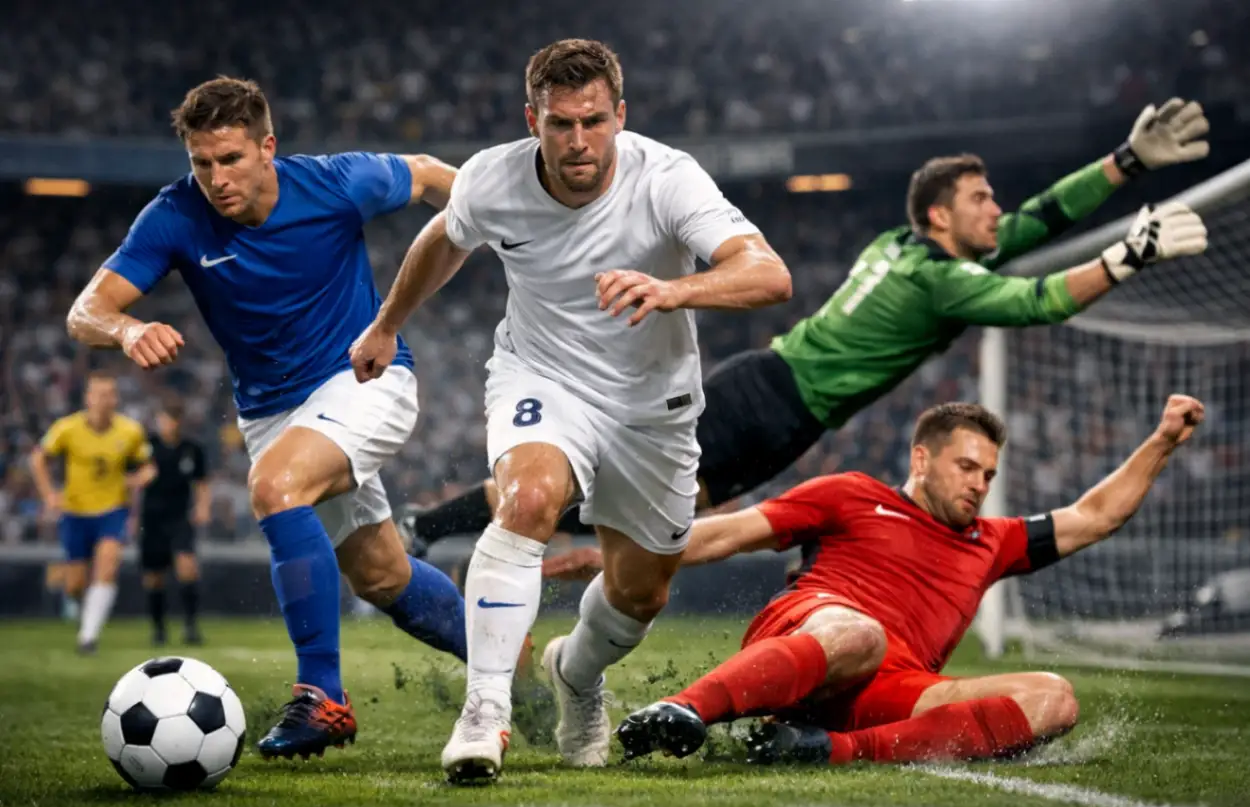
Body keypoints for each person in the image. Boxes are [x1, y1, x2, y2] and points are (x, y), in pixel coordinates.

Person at [406, 97, 1212, 563]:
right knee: (619, 510)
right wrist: (1128, 254)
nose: (997, 210)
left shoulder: (908, 248)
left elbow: (1035, 222)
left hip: (771, 393)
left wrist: (1125, 163)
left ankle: (475, 537)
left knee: (633, 517)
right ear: (941, 216)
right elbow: (1039, 301)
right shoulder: (939, 281)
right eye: (980, 199)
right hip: (774, 407)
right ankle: (443, 530)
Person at [349, 38, 792, 783]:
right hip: (542, 376)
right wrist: (387, 323)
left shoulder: (668, 179)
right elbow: (444, 237)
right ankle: (485, 711)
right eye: (560, 123)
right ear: (534, 121)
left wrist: (673, 290)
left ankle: (576, 675)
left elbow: (769, 274)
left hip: (652, 407)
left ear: (621, 115)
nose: (578, 140)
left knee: (640, 593)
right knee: (526, 500)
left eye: (593, 120)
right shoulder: (493, 179)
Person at [65, 76, 472, 761]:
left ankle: (322, 698)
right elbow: (86, 312)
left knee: (276, 487)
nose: (216, 178)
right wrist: (127, 330)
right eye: (202, 162)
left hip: (364, 376)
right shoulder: (175, 213)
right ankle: (503, 656)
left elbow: (432, 176)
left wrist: (510, 226)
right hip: (273, 413)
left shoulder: (336, 182)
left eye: (231, 159)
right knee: (380, 575)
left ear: (267, 148)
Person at [614, 395, 1205, 766]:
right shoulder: (851, 494)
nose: (979, 484)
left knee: (1055, 698)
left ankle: (825, 750)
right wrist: (614, 556)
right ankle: (681, 709)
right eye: (966, 467)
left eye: (988, 474)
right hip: (816, 630)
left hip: (892, 688)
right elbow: (727, 533)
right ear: (922, 460)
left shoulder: (994, 540)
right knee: (862, 635)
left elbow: (1094, 518)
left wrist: (1162, 442)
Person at [29, 371, 156, 653]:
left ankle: (88, 637)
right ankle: (80, 608)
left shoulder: (130, 431)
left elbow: (148, 466)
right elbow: (38, 458)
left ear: (116, 398)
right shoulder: (67, 428)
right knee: (75, 583)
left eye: (110, 394)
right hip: (75, 512)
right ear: (87, 398)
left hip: (112, 511)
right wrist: (49, 494)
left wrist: (138, 479)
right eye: (99, 394)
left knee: (107, 567)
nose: (104, 400)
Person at [137, 395, 209, 647]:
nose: (171, 424)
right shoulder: (145, 447)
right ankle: (159, 629)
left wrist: (202, 507)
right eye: (167, 419)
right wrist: (140, 479)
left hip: (180, 516)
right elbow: (128, 477)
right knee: (154, 576)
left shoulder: (192, 449)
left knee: (187, 567)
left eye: (175, 419)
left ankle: (191, 626)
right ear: (159, 420)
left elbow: (201, 482)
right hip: (151, 518)